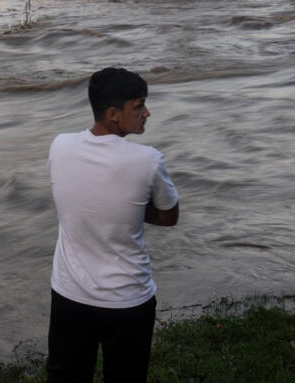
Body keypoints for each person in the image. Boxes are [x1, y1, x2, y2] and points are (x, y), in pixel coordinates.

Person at [46, 67, 179, 383]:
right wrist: (127, 209)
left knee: (65, 376)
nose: (147, 113)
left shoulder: (59, 146)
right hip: (128, 299)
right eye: (138, 106)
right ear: (113, 114)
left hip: (69, 294)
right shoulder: (148, 160)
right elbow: (168, 216)